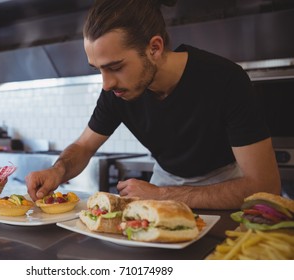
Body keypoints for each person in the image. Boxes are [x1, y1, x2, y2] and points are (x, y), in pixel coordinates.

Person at [26, 0, 281, 209]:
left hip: (226, 187)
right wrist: (57, 171)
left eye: (115, 66)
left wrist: (162, 195)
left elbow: (264, 186)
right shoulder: (117, 91)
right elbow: (84, 145)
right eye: (98, 69)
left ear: (155, 48)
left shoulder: (225, 79)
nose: (106, 83)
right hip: (162, 184)